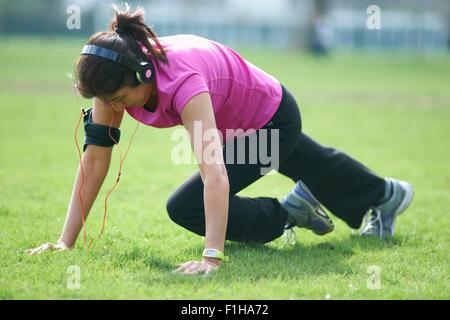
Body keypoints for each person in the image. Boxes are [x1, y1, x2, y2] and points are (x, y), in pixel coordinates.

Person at [25, 6, 414, 275]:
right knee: (311, 163)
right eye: (106, 101)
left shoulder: (181, 83)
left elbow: (214, 175)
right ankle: (384, 195)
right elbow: (94, 162)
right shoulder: (112, 78)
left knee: (187, 206)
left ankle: (289, 214)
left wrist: (212, 258)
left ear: (143, 75)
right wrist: (66, 243)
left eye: (118, 100)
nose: (112, 108)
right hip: (236, 115)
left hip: (274, 117)